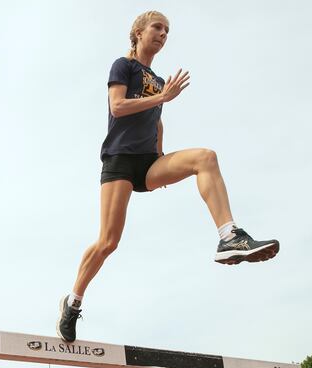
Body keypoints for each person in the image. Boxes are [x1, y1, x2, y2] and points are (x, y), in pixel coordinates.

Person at [56, 11, 279, 343]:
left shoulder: (158, 80)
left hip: (148, 164)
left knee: (205, 157)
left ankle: (229, 236)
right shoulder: (124, 65)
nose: (163, 34)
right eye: (157, 28)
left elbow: (155, 119)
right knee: (108, 242)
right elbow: (117, 107)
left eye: (167, 30)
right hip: (119, 161)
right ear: (138, 32)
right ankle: (73, 302)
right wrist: (161, 98)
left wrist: (161, 155)